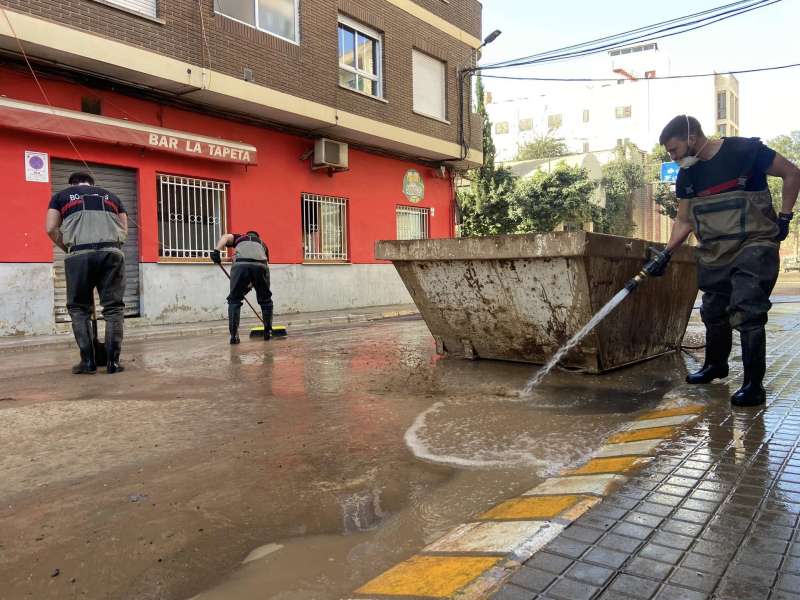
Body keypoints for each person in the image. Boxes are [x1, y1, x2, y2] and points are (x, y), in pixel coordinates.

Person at [647, 115, 800, 406]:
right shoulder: (687, 176)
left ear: (691, 138)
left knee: (746, 309)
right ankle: (716, 366)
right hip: (715, 250)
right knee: (714, 309)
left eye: (674, 149)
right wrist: (666, 254)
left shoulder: (744, 151)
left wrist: (785, 216)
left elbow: (793, 173)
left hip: (754, 245)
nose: (672, 156)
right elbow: (684, 220)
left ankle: (753, 385)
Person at [45, 171, 128, 374]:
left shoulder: (61, 197)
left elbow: (50, 228)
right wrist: (113, 248)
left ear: (72, 184)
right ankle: (113, 363)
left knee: (79, 309)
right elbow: (124, 230)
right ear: (93, 183)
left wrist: (69, 248)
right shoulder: (113, 196)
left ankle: (88, 362)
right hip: (112, 253)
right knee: (114, 309)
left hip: (79, 255)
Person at [211, 231, 273, 344]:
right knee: (266, 300)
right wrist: (251, 286)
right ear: (257, 237)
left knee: (234, 299)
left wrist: (216, 251)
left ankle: (234, 336)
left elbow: (225, 237)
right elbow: (261, 270)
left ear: (247, 234)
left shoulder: (240, 238)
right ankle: (267, 331)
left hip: (240, 265)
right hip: (261, 266)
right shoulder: (263, 244)